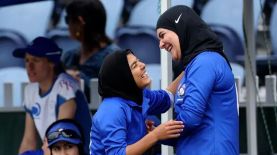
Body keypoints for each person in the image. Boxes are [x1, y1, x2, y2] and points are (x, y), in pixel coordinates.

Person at [156, 5, 239, 155]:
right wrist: (156, 132)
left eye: (162, 35)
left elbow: (190, 118)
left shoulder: (205, 62)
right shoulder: (196, 64)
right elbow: (188, 128)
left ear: (179, 28)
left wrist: (155, 134)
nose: (160, 44)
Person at [90, 49, 184, 155]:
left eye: (138, 61)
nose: (143, 65)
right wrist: (155, 135)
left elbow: (166, 98)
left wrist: (189, 70)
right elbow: (118, 153)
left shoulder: (137, 95)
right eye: (134, 66)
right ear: (123, 77)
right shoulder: (112, 110)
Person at [13, 36, 91, 155]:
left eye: (36, 60)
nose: (29, 66)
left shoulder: (65, 86)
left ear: (51, 63)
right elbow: (28, 140)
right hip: (53, 148)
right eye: (27, 60)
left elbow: (60, 136)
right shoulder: (30, 90)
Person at [62, 0, 121, 100]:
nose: (68, 26)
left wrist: (78, 78)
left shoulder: (115, 58)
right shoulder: (69, 56)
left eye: (68, 19)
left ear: (80, 22)